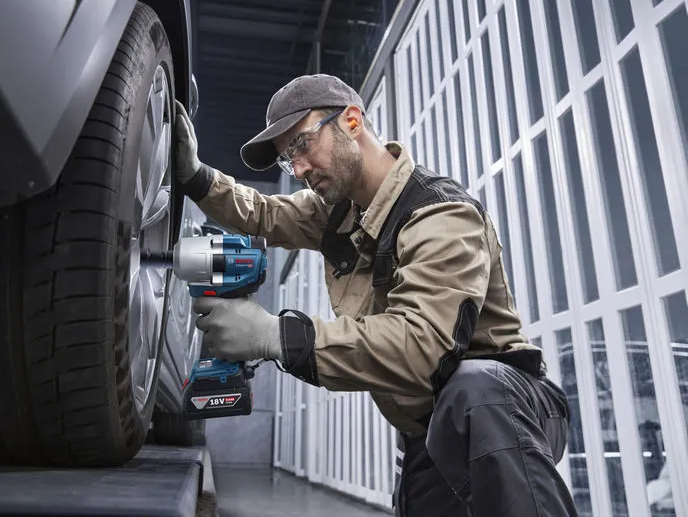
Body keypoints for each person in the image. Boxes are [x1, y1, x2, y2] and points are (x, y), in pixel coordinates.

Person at [173, 74, 578, 517]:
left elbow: (422, 346)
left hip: (507, 412)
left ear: (350, 121)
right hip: (427, 429)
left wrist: (276, 336)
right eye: (289, 160)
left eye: (302, 145)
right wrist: (196, 177)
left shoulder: (441, 214)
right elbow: (266, 212)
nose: (300, 169)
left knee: (472, 388)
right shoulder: (339, 211)